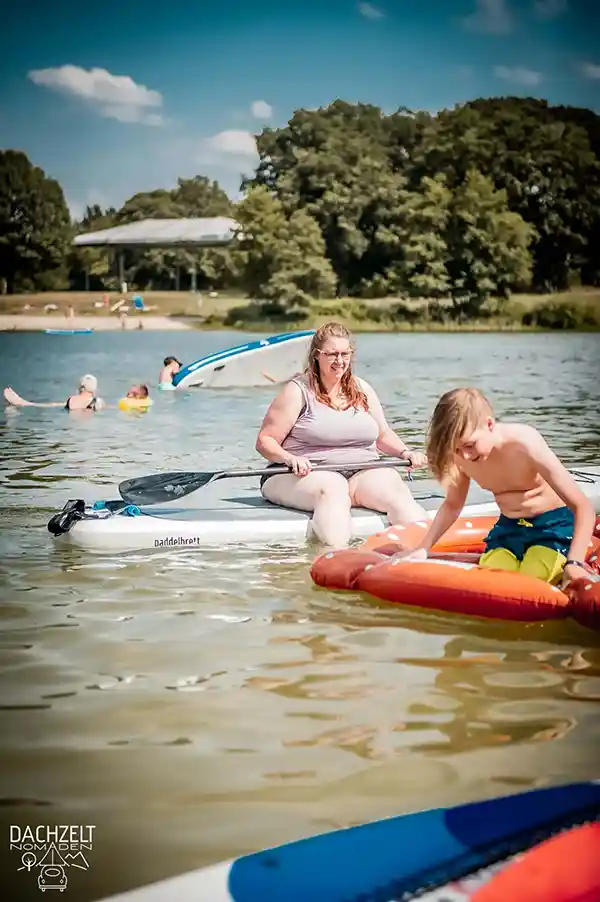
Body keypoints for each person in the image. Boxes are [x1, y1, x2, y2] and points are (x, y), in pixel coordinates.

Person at [391, 387, 595, 586]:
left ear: (489, 425)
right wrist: (423, 548)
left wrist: (574, 561)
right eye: (457, 449)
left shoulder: (525, 444)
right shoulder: (461, 455)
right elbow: (453, 505)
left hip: (553, 527)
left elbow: (582, 506)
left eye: (470, 445)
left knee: (532, 578)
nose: (466, 456)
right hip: (509, 528)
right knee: (491, 581)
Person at [255, 321, 428, 547]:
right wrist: (290, 458)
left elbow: (383, 435)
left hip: (361, 471)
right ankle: (337, 558)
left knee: (396, 491)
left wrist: (406, 452)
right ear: (317, 355)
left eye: (345, 354)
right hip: (300, 474)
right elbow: (264, 441)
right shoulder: (297, 391)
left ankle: (423, 552)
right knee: (334, 490)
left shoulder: (362, 389)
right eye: (332, 354)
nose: (340, 361)